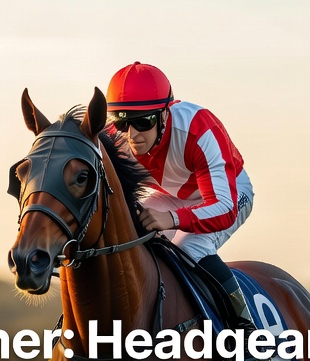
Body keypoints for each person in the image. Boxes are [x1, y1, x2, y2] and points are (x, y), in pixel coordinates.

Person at [105, 62, 259, 340]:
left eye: (143, 122)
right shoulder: (114, 139)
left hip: (227, 194)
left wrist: (173, 219)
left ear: (165, 113)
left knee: (188, 248)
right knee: (131, 241)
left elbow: (224, 209)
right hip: (167, 196)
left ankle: (244, 332)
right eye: (122, 122)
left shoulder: (198, 128)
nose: (132, 134)